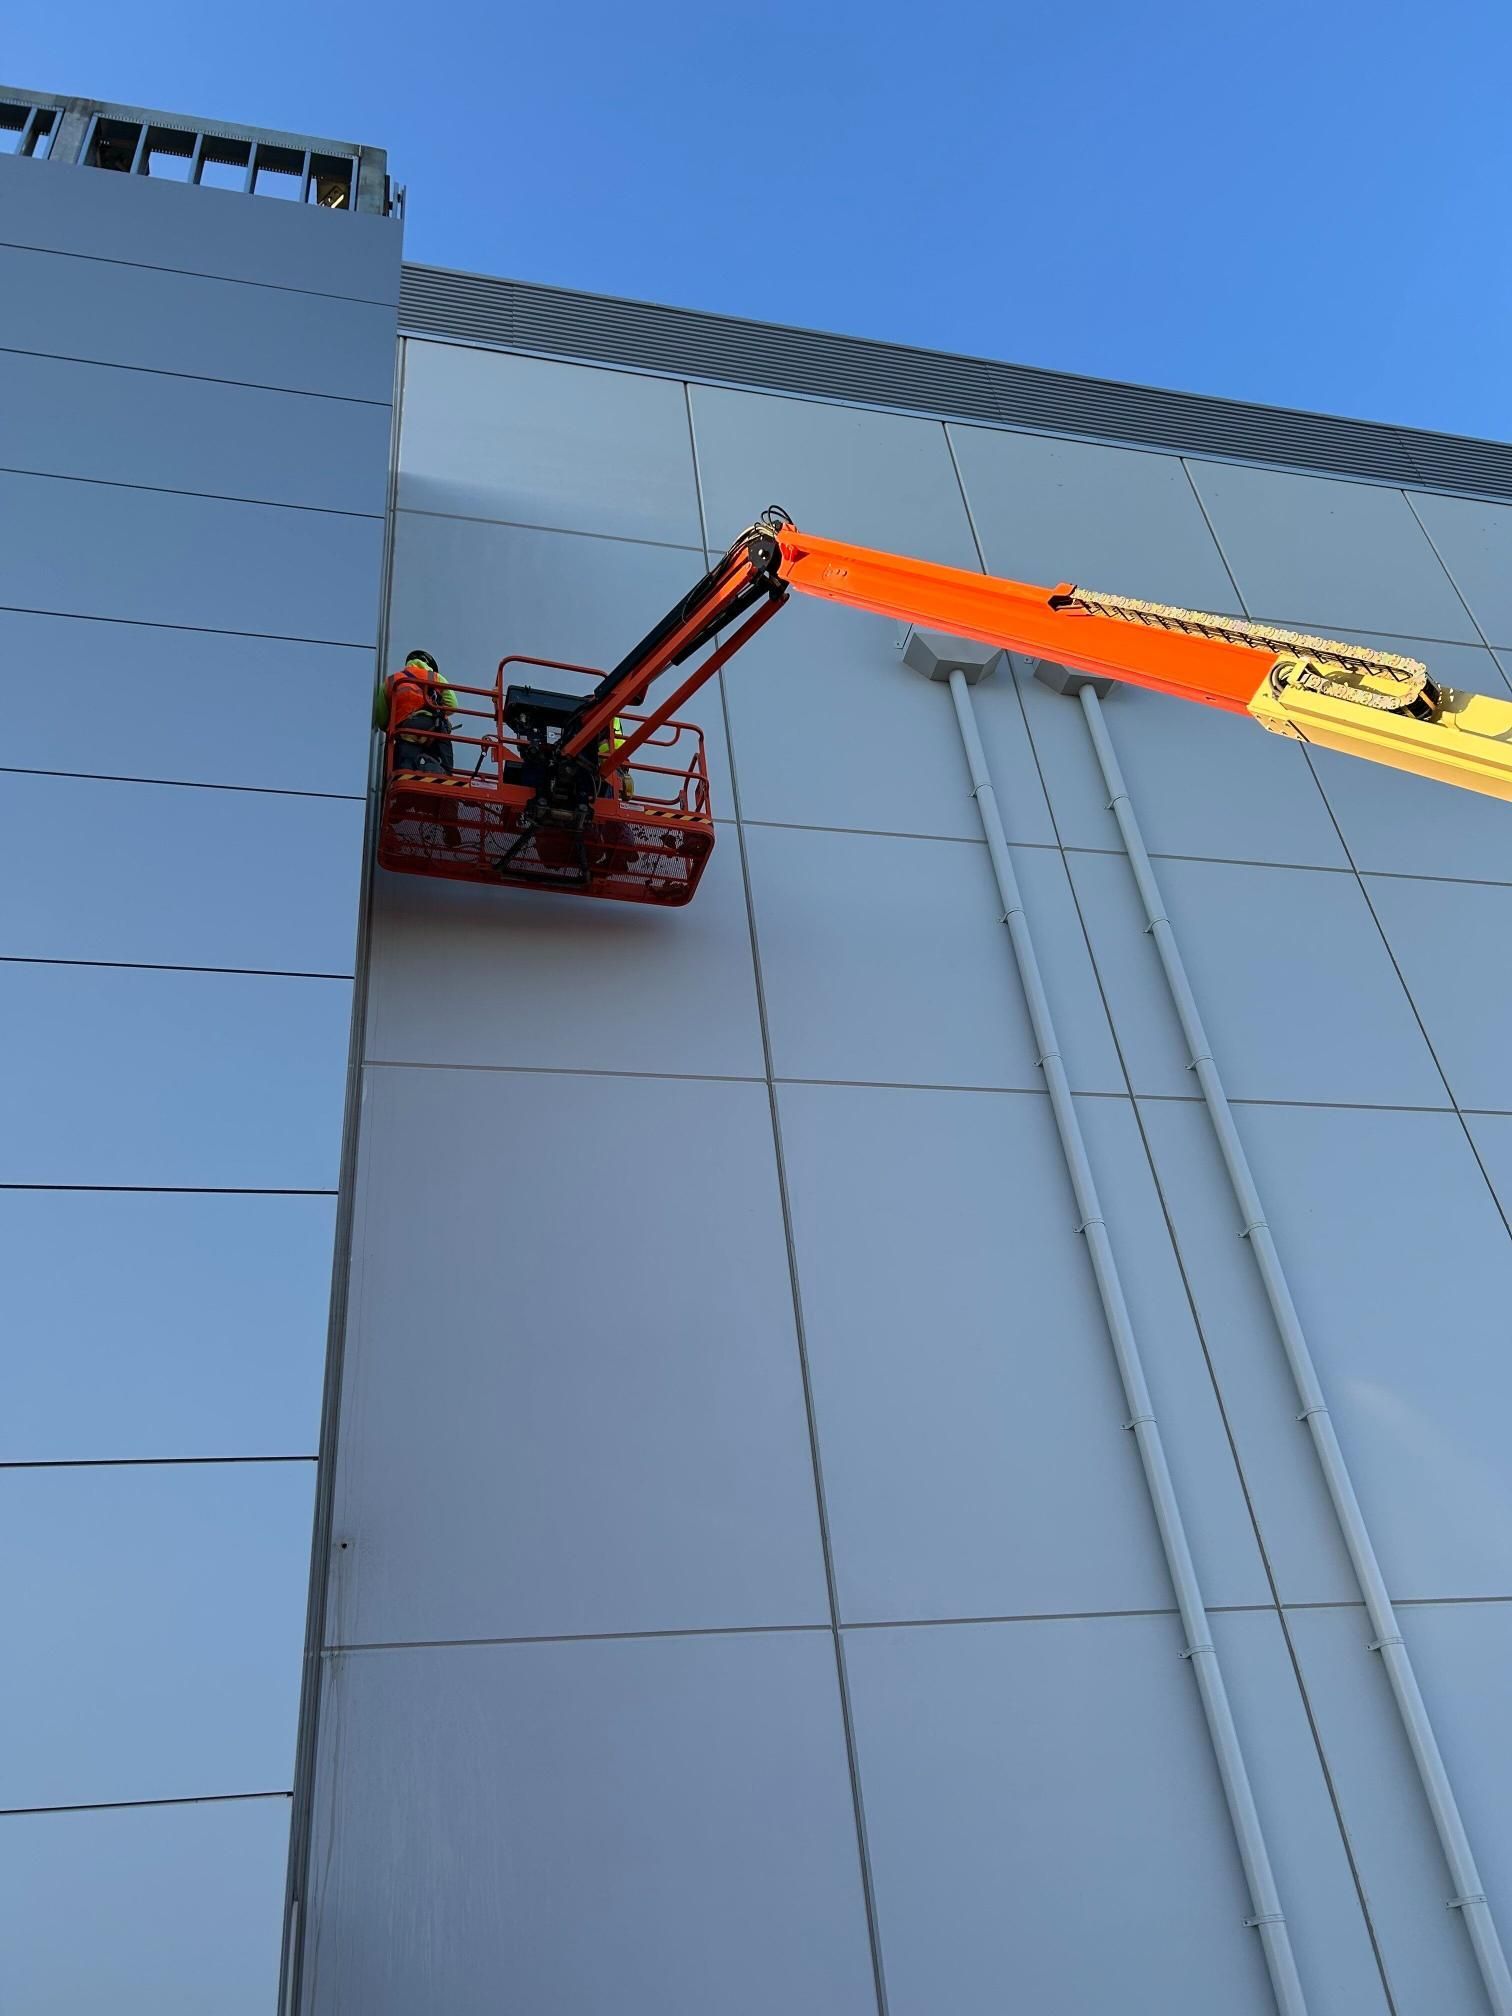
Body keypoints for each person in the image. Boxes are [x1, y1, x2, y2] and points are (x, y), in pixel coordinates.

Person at [374, 650, 459, 776]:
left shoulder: (390, 681)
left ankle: (404, 774)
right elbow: (452, 706)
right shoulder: (434, 677)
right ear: (428, 664)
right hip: (430, 727)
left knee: (405, 767)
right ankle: (445, 774)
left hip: (403, 731)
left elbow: (381, 720)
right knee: (443, 731)